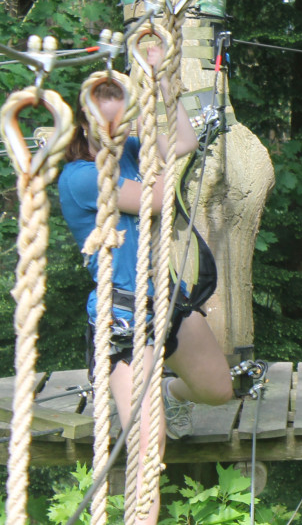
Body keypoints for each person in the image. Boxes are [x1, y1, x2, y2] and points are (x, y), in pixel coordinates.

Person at [58, 43, 232, 524]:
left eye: (126, 120)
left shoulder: (132, 150)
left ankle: (169, 394)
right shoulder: (79, 177)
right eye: (112, 124)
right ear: (88, 124)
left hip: (167, 301)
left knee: (218, 391)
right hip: (123, 313)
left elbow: (183, 143)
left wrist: (160, 81)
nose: (122, 132)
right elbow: (156, 198)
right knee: (147, 448)